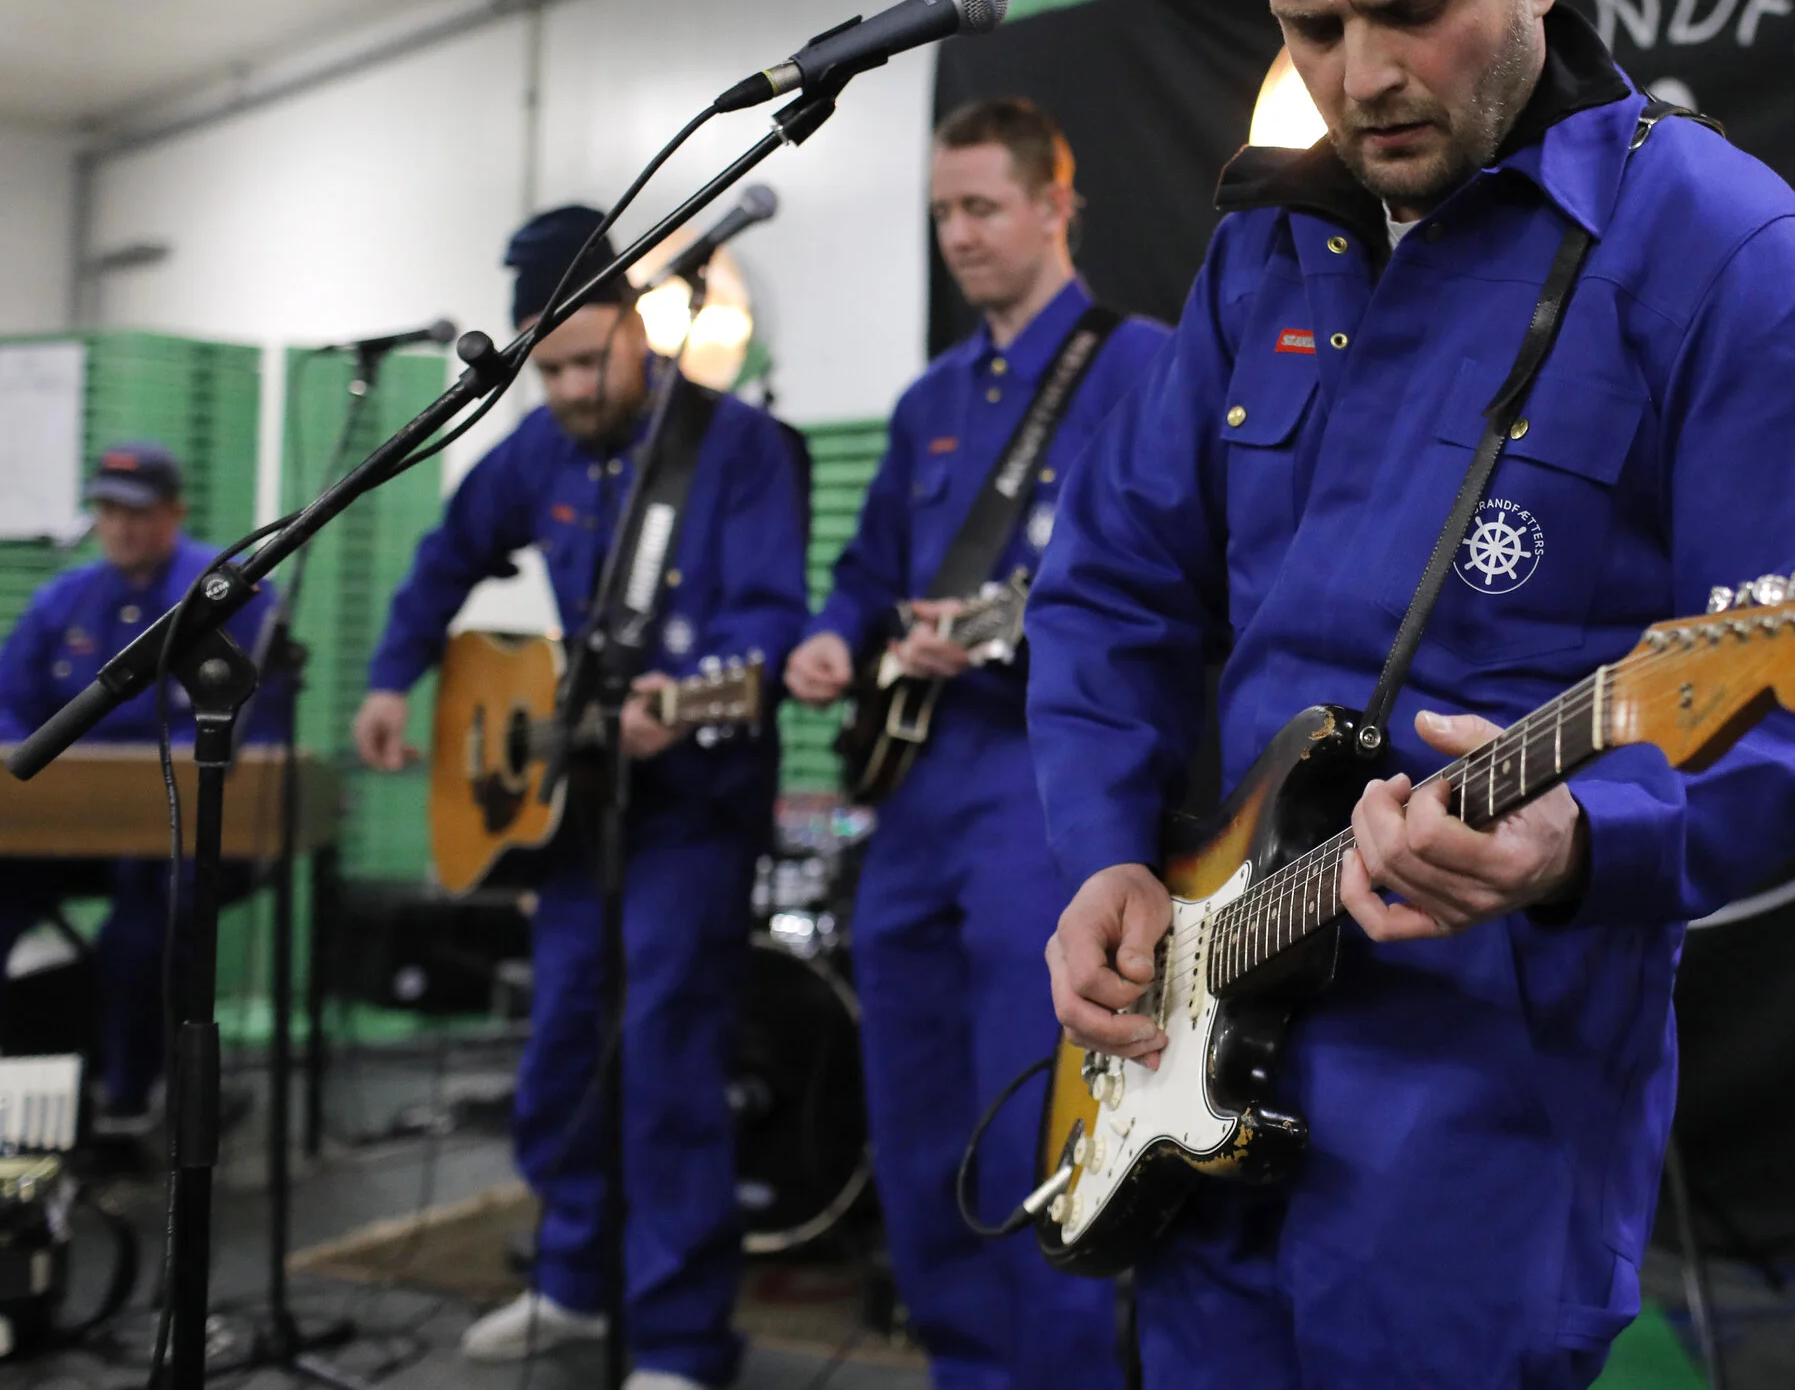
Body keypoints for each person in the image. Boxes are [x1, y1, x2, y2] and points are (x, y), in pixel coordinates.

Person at [1025, 0, 1795, 1387]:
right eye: (1311, 25)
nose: (1363, 77)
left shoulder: (1727, 254)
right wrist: (1096, 850)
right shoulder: (1262, 243)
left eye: (1413, 5)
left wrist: (1587, 838)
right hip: (1189, 1045)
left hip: (1483, 1115)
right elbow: (1115, 591)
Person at [351, 207, 810, 1390]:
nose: (562, 387)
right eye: (542, 366)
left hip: (694, 803)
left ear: (640, 328)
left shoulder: (735, 445)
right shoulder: (536, 453)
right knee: (560, 1053)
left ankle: (675, 1339)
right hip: (573, 810)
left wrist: (686, 692)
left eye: (583, 358)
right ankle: (569, 1280)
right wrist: (393, 676)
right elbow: (446, 557)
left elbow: (767, 622)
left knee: (665, 1060)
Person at [783, 98, 1167, 1389]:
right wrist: (839, 638)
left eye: (982, 207)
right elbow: (863, 568)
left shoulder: (1142, 366)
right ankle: (961, 1363)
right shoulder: (930, 398)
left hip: (1045, 789)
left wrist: (1013, 642)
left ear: (1055, 206)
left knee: (1034, 1103)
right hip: (914, 789)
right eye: (942, 212)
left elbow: (1180, 583)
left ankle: (1060, 1370)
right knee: (914, 1109)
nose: (958, 235)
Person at [0, 442, 279, 1134]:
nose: (120, 526)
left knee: (145, 919)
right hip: (69, 824)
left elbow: (249, 720)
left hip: (179, 831)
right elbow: (10, 701)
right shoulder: (64, 598)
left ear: (175, 513)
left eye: (138, 511)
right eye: (107, 510)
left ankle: (127, 1095)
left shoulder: (228, 594)